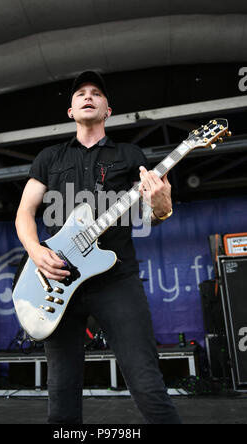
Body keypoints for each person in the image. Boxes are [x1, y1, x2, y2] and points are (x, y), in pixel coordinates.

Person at [15, 71, 181, 424]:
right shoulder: (49, 157)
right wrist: (35, 250)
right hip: (58, 279)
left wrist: (162, 205)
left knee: (146, 382)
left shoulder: (129, 153)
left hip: (116, 278)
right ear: (71, 112)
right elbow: (24, 214)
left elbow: (157, 214)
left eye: (96, 93)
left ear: (108, 110)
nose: (88, 96)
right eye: (80, 94)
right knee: (62, 393)